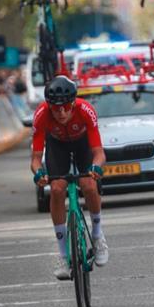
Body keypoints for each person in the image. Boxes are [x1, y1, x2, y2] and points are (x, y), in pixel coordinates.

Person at [29, 75, 108, 280]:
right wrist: (39, 173)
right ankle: (63, 255)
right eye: (56, 109)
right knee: (56, 189)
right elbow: (35, 159)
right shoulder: (41, 114)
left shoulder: (85, 110)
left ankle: (97, 235)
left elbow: (99, 153)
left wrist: (96, 167)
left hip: (82, 143)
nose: (61, 112)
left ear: (73, 103)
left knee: (88, 184)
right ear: (49, 106)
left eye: (66, 107)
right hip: (57, 145)